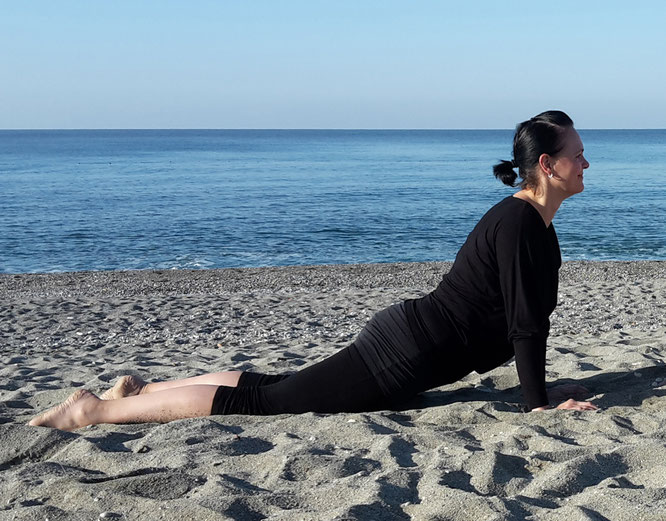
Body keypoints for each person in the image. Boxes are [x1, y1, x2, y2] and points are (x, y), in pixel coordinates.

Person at [29, 110, 598, 432]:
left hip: (410, 343)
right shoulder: (521, 224)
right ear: (546, 166)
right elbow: (525, 325)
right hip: (404, 355)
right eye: (576, 154)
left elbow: (512, 318)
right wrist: (538, 404)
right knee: (266, 404)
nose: (585, 162)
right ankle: (96, 411)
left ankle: (143, 390)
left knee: (274, 387)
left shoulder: (529, 223)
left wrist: (540, 387)